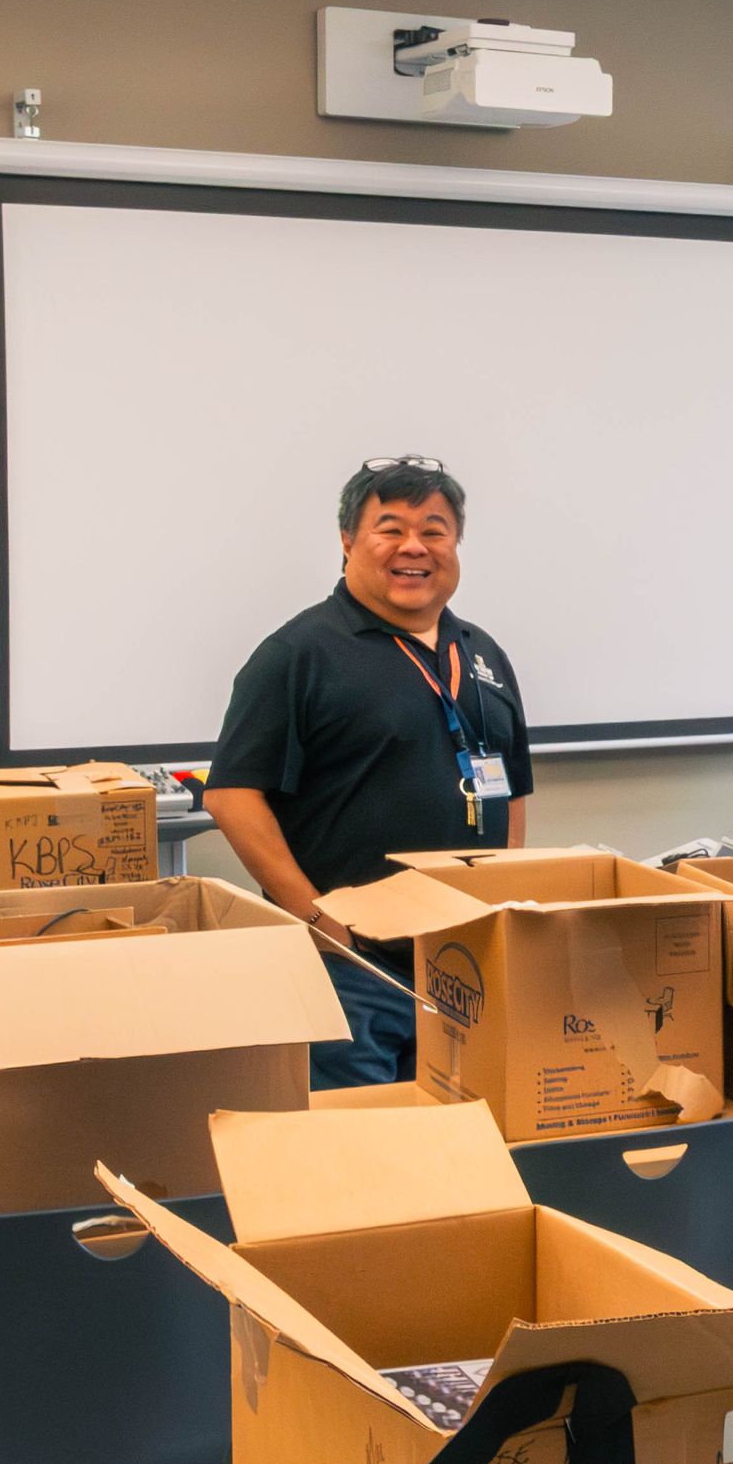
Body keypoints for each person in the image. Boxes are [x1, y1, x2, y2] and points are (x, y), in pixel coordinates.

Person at [205, 460, 533, 1087]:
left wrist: (501, 898)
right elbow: (231, 796)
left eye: (434, 530)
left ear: (456, 545)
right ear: (348, 542)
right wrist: (321, 924)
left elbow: (512, 786)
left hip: (462, 962)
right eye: (391, 529)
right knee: (366, 1159)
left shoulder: (483, 652)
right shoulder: (298, 654)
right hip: (353, 970)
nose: (415, 547)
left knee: (464, 1148)